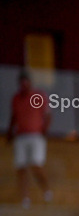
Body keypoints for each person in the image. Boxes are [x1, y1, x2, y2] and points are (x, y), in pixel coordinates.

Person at [8, 71, 52, 207]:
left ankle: (46, 190)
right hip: (21, 136)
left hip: (35, 135)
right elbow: (14, 116)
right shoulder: (16, 98)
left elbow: (47, 114)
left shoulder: (39, 96)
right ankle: (25, 198)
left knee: (36, 164)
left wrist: (44, 130)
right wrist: (10, 132)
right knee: (21, 167)